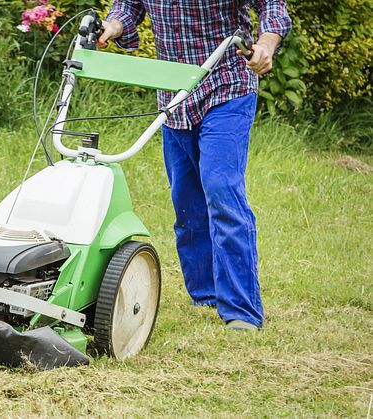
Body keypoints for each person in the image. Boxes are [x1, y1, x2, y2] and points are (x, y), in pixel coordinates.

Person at [97, 1, 291, 331]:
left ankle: (241, 310)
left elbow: (272, 5)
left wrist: (266, 43)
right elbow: (129, 6)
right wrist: (112, 26)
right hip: (175, 95)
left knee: (220, 188)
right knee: (186, 201)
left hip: (228, 86)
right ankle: (205, 295)